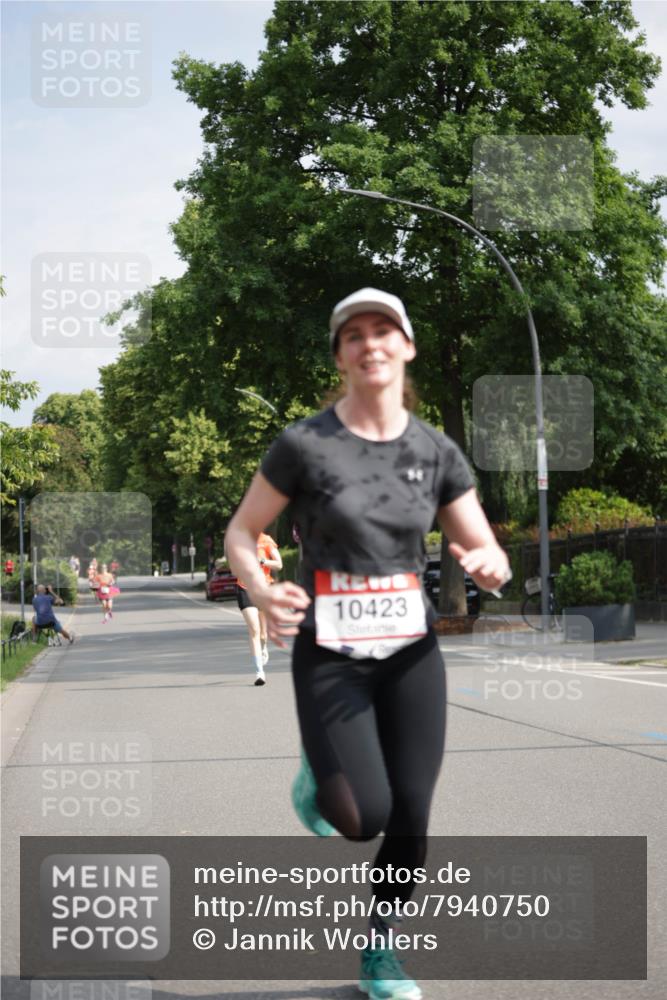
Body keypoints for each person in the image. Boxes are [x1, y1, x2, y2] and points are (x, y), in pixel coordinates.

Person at [225, 288, 511, 1000]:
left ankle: (379, 950)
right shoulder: (304, 445)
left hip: (410, 652)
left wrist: (487, 563)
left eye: (384, 330)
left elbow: (484, 546)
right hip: (332, 654)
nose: (370, 343)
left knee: (412, 809)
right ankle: (318, 772)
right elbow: (239, 531)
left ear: (406, 346)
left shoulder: (433, 449)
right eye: (353, 335)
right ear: (340, 356)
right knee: (363, 818)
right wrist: (261, 592)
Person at [234, 533, 283, 686]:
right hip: (244, 588)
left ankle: (264, 646)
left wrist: (262, 560)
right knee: (254, 630)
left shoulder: (266, 541)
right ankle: (259, 672)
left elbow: (279, 564)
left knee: (263, 634)